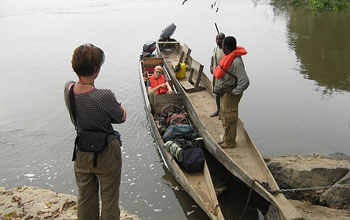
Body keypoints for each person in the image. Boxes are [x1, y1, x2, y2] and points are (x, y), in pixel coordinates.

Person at [64, 43, 126, 220]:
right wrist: (121, 108)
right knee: (109, 199)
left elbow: (73, 86)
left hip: (82, 150)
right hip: (106, 152)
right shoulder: (104, 96)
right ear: (96, 69)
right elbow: (120, 117)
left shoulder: (68, 90)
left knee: (85, 198)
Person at [214, 36, 249, 148]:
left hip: (231, 93)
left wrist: (234, 91)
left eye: (224, 46)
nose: (222, 48)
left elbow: (245, 81)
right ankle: (226, 138)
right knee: (225, 115)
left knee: (230, 116)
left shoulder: (236, 62)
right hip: (225, 92)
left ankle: (230, 142)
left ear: (228, 48)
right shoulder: (229, 56)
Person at [210, 32, 225, 118]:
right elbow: (212, 58)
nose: (218, 40)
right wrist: (211, 66)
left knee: (223, 94)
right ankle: (218, 110)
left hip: (222, 76)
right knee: (216, 93)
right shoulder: (215, 49)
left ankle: (223, 112)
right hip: (216, 75)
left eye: (220, 39)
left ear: (224, 40)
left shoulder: (226, 51)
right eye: (216, 39)